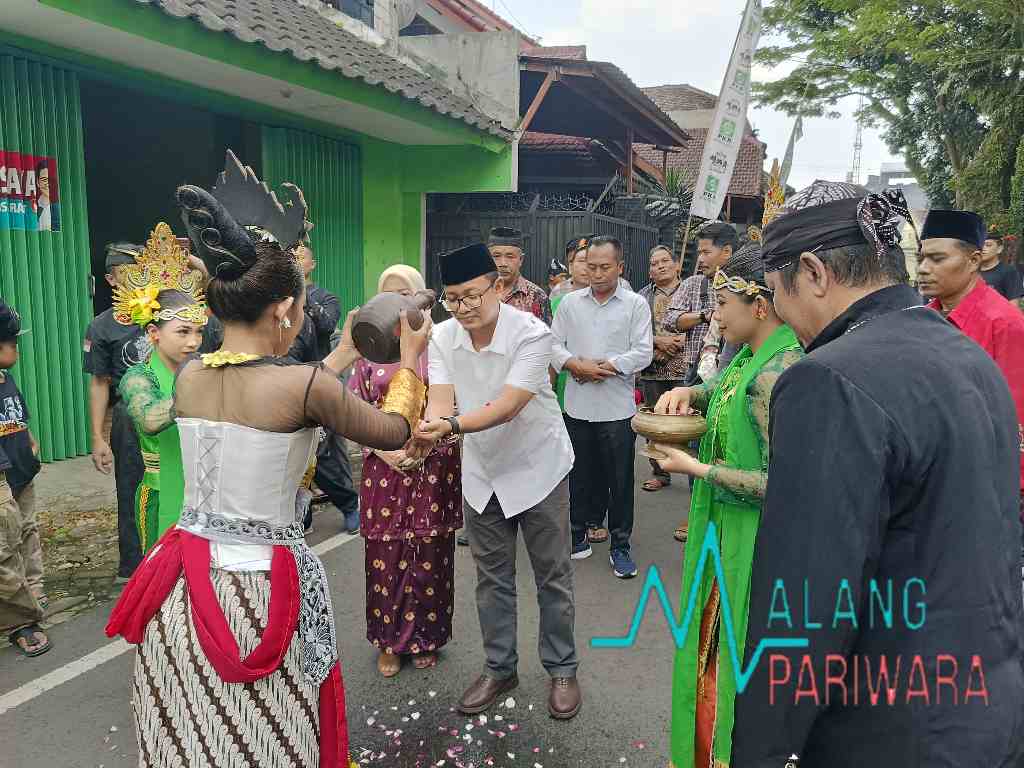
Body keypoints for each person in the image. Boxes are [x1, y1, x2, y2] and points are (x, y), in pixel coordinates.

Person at [105, 150, 430, 767]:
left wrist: (338, 354)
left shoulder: (192, 375)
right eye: (299, 308)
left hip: (183, 583)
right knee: (265, 732)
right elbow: (393, 430)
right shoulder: (303, 388)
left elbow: (277, 391)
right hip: (257, 590)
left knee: (199, 731)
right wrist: (408, 358)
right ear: (283, 310)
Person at [729, 182, 1024, 767]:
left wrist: (762, 753)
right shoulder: (965, 353)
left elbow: (806, 605)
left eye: (776, 294)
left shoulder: (829, 379)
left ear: (812, 272)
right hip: (987, 710)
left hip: (890, 728)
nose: (785, 319)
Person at [408, 243, 581, 720]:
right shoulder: (443, 336)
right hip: (483, 474)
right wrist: (427, 430)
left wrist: (451, 427)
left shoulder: (532, 333)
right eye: (452, 298)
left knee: (553, 578)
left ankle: (562, 669)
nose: (461, 308)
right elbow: (441, 398)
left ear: (499, 287)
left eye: (471, 296)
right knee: (492, 580)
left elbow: (509, 404)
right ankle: (500, 667)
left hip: (538, 468)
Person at [653, 244, 803, 768]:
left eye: (721, 305)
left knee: (729, 659)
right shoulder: (750, 356)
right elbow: (721, 385)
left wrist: (699, 471)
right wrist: (689, 393)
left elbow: (784, 482)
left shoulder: (777, 374)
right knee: (710, 649)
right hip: (723, 524)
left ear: (759, 304)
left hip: (752, 538)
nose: (714, 316)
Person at [348, 264, 463, 678]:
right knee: (386, 554)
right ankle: (389, 641)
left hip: (433, 464)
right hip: (384, 467)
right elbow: (354, 410)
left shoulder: (444, 343)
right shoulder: (366, 354)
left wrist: (425, 442)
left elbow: (453, 405)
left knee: (431, 552)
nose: (397, 306)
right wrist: (384, 449)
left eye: (405, 295)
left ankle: (426, 638)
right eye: (388, 295)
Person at [552, 236, 653, 575]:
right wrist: (574, 365)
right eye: (590, 266)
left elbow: (643, 352)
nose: (596, 273)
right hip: (577, 407)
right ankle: (577, 535)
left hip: (617, 410)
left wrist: (603, 367)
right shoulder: (569, 304)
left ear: (620, 267)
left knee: (620, 480)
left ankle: (620, 545)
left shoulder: (635, 304)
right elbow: (552, 346)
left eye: (604, 267)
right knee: (578, 474)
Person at [918, 210, 1024, 517]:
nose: (924, 269)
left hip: (984, 488)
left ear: (974, 260)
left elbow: (1015, 417)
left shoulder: (1005, 323)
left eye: (937, 259)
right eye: (922, 258)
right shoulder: (923, 316)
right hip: (931, 476)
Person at [115, 223, 208, 551]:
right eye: (183, 332)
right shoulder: (139, 377)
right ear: (154, 333)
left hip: (206, 492)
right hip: (160, 496)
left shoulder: (201, 369)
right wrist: (198, 392)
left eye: (198, 332)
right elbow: (150, 420)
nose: (194, 341)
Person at [663, 222, 737, 542]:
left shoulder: (741, 287)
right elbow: (672, 320)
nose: (701, 258)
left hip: (729, 383)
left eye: (706, 252)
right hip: (701, 376)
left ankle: (719, 518)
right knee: (696, 444)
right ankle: (699, 512)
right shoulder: (695, 284)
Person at [84, 242, 149, 580]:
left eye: (142, 270)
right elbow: (99, 383)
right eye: (128, 273)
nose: (137, 279)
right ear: (111, 279)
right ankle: (134, 566)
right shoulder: (102, 327)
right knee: (132, 488)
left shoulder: (163, 313)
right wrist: (97, 437)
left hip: (172, 410)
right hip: (129, 419)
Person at [288, 229, 359, 534]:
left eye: (300, 256)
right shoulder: (276, 300)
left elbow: (327, 324)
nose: (294, 260)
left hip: (320, 378)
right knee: (291, 456)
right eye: (289, 256)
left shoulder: (326, 297)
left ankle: (350, 505)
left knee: (326, 454)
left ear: (312, 264)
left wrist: (301, 297)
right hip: (287, 382)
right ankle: (300, 518)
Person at [0, 302, 48, 657]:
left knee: (27, 532)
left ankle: (36, 593)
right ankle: (20, 620)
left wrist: (30, 443)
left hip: (20, 471)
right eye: (12, 341)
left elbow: (19, 415)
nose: (17, 347)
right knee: (4, 543)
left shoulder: (7, 378)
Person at [637, 245, 688, 493]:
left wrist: (679, 342)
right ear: (649, 271)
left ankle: (693, 474)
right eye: (654, 263)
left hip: (686, 369)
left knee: (688, 422)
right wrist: (659, 342)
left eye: (665, 261)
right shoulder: (642, 296)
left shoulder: (692, 290)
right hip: (653, 368)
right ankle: (660, 472)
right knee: (655, 423)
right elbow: (634, 330)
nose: (660, 266)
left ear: (677, 264)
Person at [488, 226, 552, 325]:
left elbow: (546, 338)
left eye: (510, 257)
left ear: (521, 260)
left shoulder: (537, 297)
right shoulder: (476, 294)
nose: (503, 263)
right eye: (496, 256)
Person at [978, 228, 1023, 300]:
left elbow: (1013, 305)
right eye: (980, 245)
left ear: (999, 249)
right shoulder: (971, 270)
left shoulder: (1008, 272)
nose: (983, 248)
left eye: (988, 245)